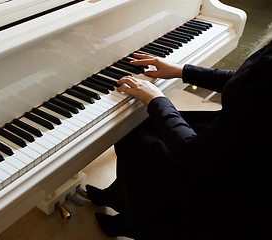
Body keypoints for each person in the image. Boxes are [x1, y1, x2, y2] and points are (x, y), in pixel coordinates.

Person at [86, 24, 272, 240]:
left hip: (232, 167)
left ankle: (133, 222)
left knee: (136, 133)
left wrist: (156, 99)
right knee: (142, 125)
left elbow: (193, 154)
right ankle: (118, 196)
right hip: (241, 127)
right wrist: (181, 70)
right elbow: (247, 80)